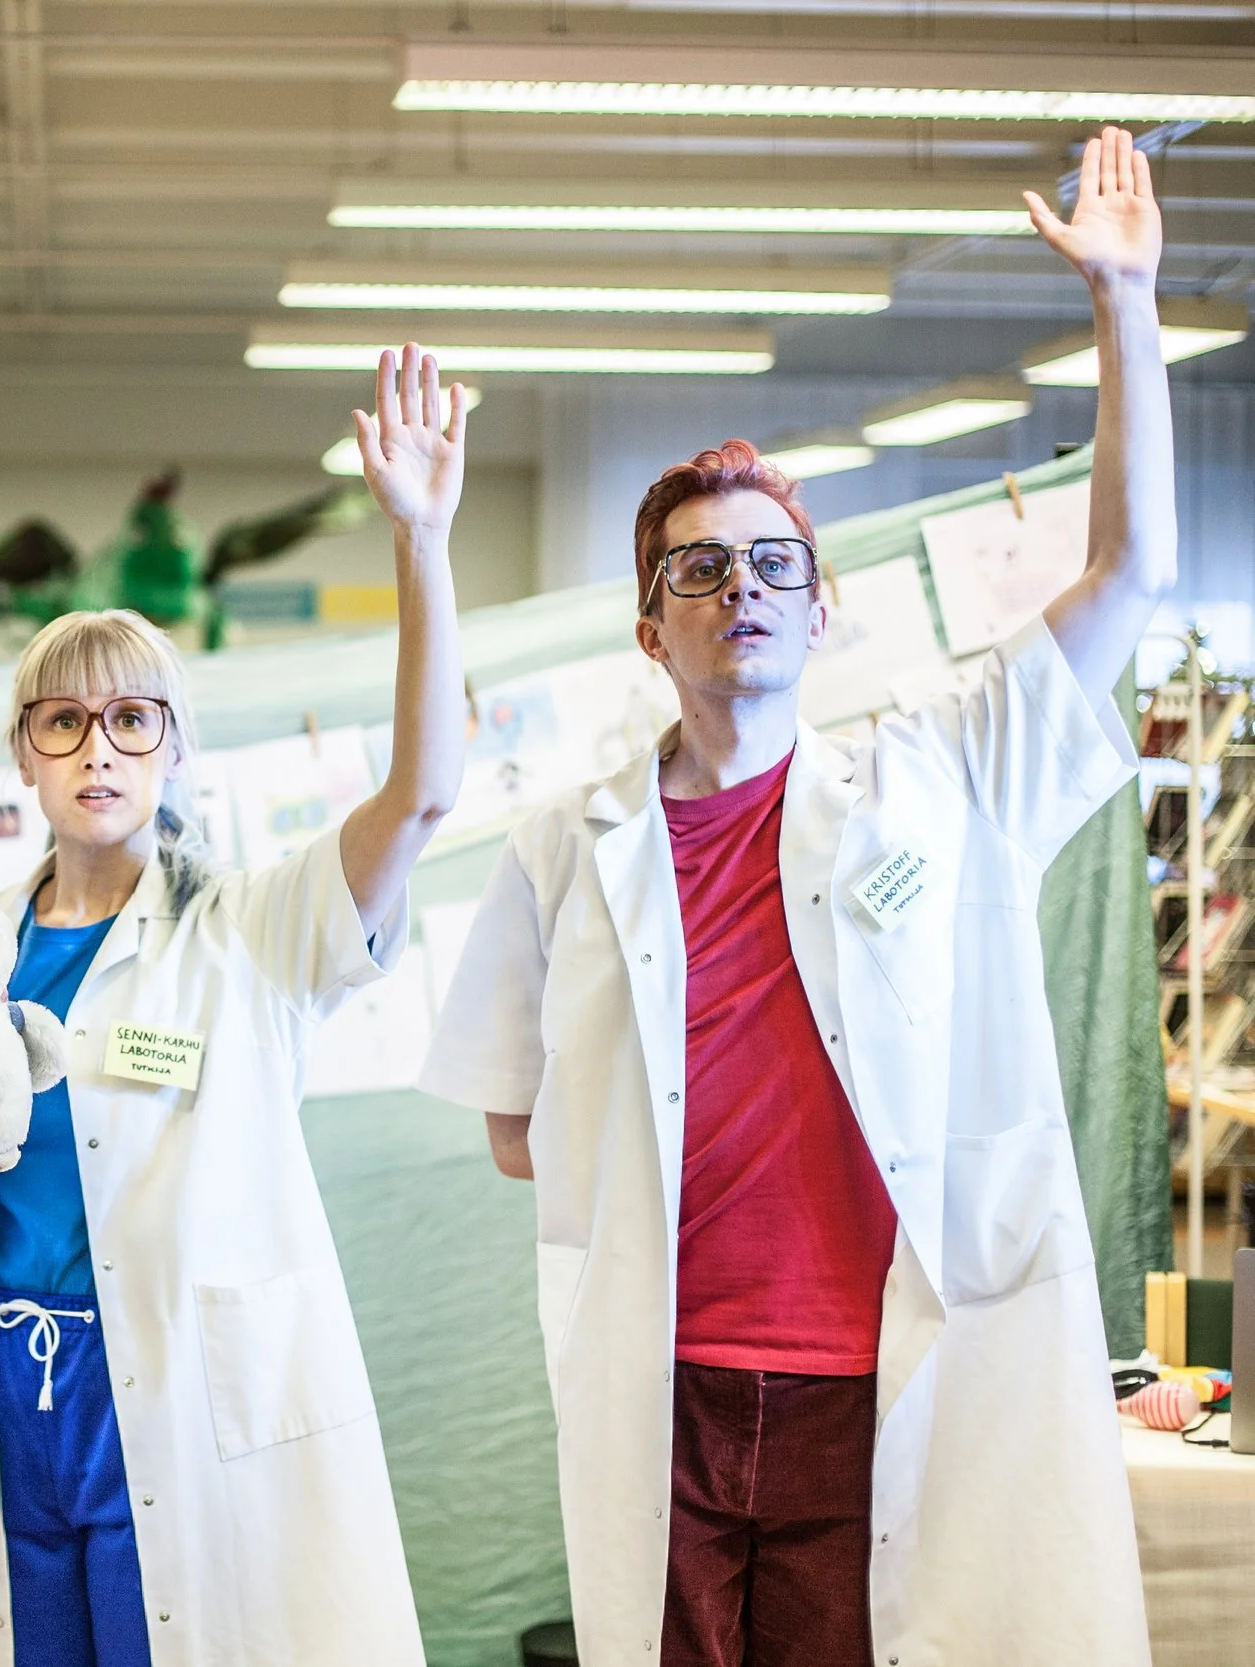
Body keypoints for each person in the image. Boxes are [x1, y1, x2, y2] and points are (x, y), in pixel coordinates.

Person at [423, 128, 1173, 1667]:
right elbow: (514, 1126)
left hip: (882, 1373)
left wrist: (1126, 303)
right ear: (650, 629)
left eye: (773, 564)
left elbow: (1130, 570)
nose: (741, 589)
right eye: (699, 571)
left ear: (823, 610)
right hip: (669, 1387)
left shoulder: (945, 778)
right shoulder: (566, 843)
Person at [0, 347, 469, 1665]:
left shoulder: (254, 928)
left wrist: (420, 541)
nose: (99, 748)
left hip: (177, 1393)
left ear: (177, 747)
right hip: (0, 1404)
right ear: (22, 753)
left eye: (134, 719)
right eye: (64, 722)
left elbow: (421, 793)